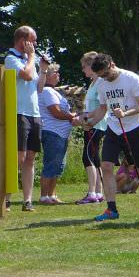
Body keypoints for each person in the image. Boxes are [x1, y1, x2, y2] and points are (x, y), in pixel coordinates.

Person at [83, 53, 139, 221]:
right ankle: (111, 209)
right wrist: (91, 123)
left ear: (112, 64)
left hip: (134, 127)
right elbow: (103, 108)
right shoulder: (102, 83)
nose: (105, 78)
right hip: (114, 128)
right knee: (106, 166)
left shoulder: (131, 78)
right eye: (101, 76)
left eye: (106, 74)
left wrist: (126, 113)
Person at [3, 25, 47, 211]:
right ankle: (6, 199)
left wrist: (43, 70)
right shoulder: (11, 58)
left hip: (34, 114)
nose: (35, 45)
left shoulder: (29, 60)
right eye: (33, 41)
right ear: (23, 41)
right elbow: (27, 76)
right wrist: (31, 58)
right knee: (18, 158)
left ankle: (27, 201)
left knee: (30, 158)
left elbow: (39, 88)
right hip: (19, 113)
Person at [35, 64, 79, 204]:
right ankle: (44, 196)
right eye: (55, 72)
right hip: (53, 132)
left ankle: (52, 195)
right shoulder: (47, 91)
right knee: (51, 164)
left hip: (60, 134)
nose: (58, 74)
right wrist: (71, 116)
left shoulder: (53, 91)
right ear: (47, 76)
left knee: (58, 165)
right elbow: (56, 112)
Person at [76, 52, 106, 204]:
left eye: (84, 66)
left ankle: (92, 192)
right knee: (95, 158)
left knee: (87, 157)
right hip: (92, 124)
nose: (83, 70)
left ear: (91, 65)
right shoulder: (93, 83)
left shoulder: (100, 83)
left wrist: (89, 121)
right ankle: (99, 192)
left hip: (96, 125)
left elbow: (102, 107)